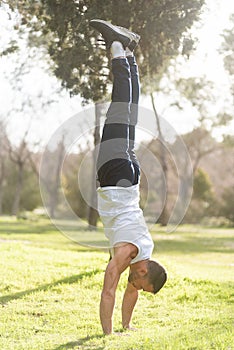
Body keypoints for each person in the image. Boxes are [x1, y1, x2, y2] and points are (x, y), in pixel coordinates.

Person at [90, 19, 167, 335]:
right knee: (120, 109)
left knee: (129, 113)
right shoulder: (127, 255)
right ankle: (117, 47)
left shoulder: (145, 254)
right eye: (142, 285)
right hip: (116, 175)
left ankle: (129, 52)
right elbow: (109, 291)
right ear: (144, 270)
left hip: (130, 178)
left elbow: (129, 292)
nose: (136, 288)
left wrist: (127, 325)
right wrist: (107, 335)